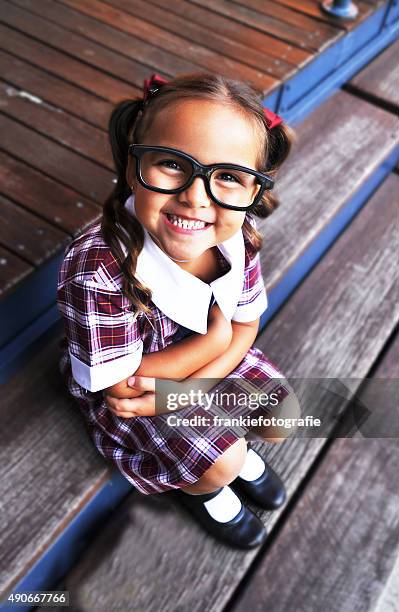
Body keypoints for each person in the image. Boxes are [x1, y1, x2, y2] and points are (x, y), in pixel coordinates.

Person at [56, 72, 299, 550]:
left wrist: (203, 381)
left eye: (227, 176)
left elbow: (246, 322)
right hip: (129, 386)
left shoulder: (237, 236)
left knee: (281, 415)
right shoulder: (98, 270)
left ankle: (220, 454)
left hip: (202, 361)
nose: (196, 195)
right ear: (132, 167)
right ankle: (199, 486)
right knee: (222, 464)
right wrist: (214, 342)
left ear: (253, 190)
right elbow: (123, 390)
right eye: (172, 163)